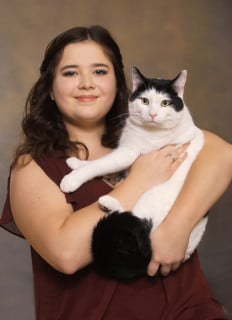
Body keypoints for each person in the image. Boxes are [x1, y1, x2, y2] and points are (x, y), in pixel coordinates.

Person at [0, 25, 231, 320]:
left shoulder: (151, 131)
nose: (86, 83)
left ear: (119, 84)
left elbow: (222, 154)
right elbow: (66, 254)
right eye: (70, 73)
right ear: (51, 90)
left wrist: (177, 226)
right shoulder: (34, 167)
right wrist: (139, 180)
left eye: (99, 71)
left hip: (191, 310)